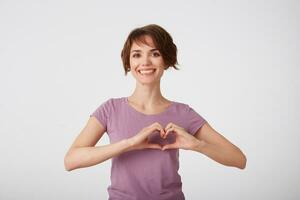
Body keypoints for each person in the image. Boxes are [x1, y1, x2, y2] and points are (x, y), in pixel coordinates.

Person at [64, 24, 247, 200]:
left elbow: (239, 159)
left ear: (166, 60)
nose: (145, 62)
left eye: (155, 53)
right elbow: (71, 161)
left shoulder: (184, 113)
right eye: (137, 54)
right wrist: (129, 143)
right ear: (128, 61)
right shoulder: (110, 109)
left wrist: (197, 145)